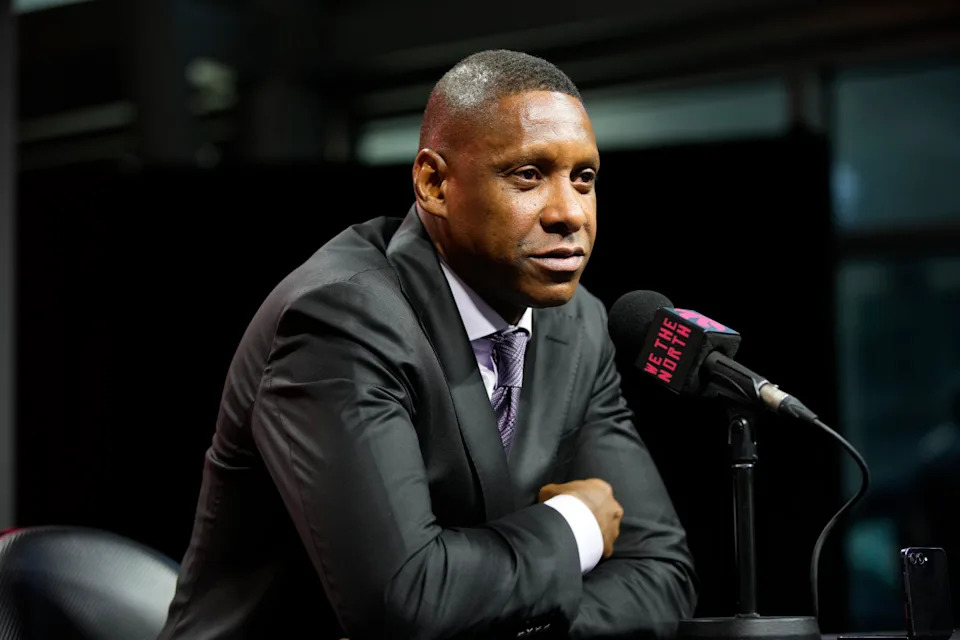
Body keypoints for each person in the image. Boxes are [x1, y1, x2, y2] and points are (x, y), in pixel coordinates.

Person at [158, 49, 696, 640]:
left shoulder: (580, 324)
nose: (570, 212)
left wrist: (510, 622)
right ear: (434, 182)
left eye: (584, 178)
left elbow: (661, 576)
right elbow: (404, 600)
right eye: (528, 175)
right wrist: (575, 527)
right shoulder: (341, 319)